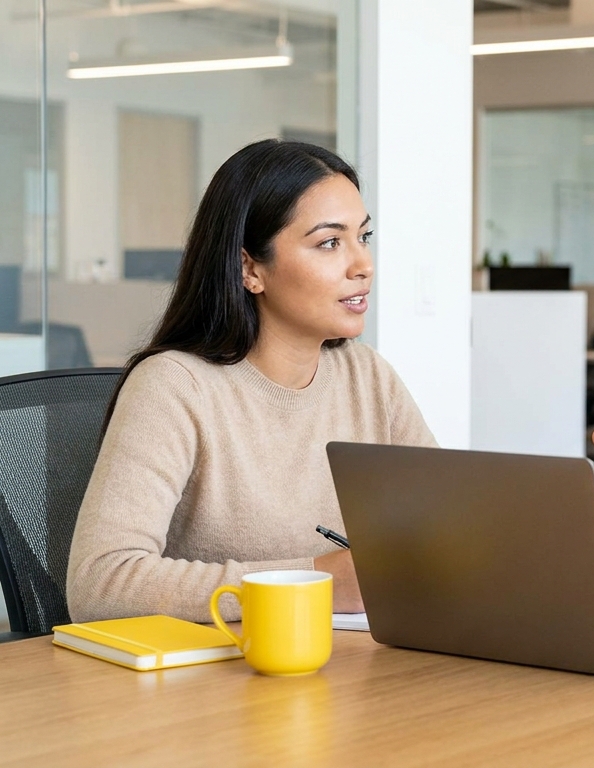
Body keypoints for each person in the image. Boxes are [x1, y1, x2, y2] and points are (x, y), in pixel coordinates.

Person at [67, 140, 436, 623]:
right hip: (214, 679)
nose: (362, 265)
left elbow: (444, 529)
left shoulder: (367, 376)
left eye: (363, 237)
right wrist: (314, 583)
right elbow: (101, 583)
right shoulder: (175, 387)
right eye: (329, 242)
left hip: (346, 666)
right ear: (249, 268)